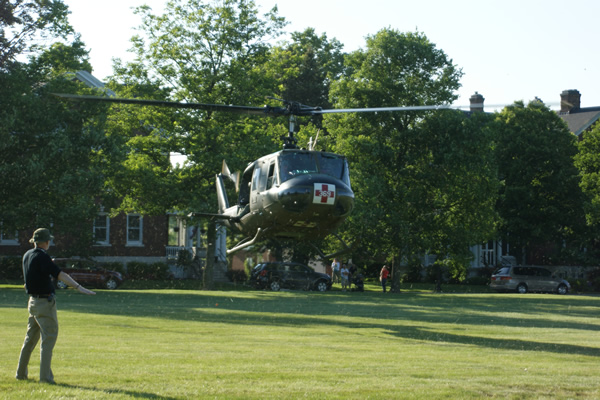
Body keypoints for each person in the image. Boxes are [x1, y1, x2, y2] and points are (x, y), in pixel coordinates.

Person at [16, 228, 96, 384]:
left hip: (32, 302)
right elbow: (60, 275)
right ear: (47, 242)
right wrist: (79, 287)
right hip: (44, 303)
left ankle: (20, 373)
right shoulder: (43, 257)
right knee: (48, 340)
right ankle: (45, 378)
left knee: (29, 340)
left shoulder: (27, 255)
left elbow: (32, 277)